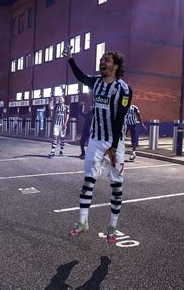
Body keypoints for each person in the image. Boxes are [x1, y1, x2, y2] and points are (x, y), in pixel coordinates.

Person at [63, 47, 132, 244]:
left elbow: (120, 118)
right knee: (88, 180)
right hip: (95, 139)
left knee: (116, 184)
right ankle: (82, 222)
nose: (103, 62)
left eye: (107, 60)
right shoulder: (96, 82)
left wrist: (114, 146)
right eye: (101, 59)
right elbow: (80, 76)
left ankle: (112, 226)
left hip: (115, 141)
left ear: (115, 66)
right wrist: (70, 60)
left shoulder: (124, 89)